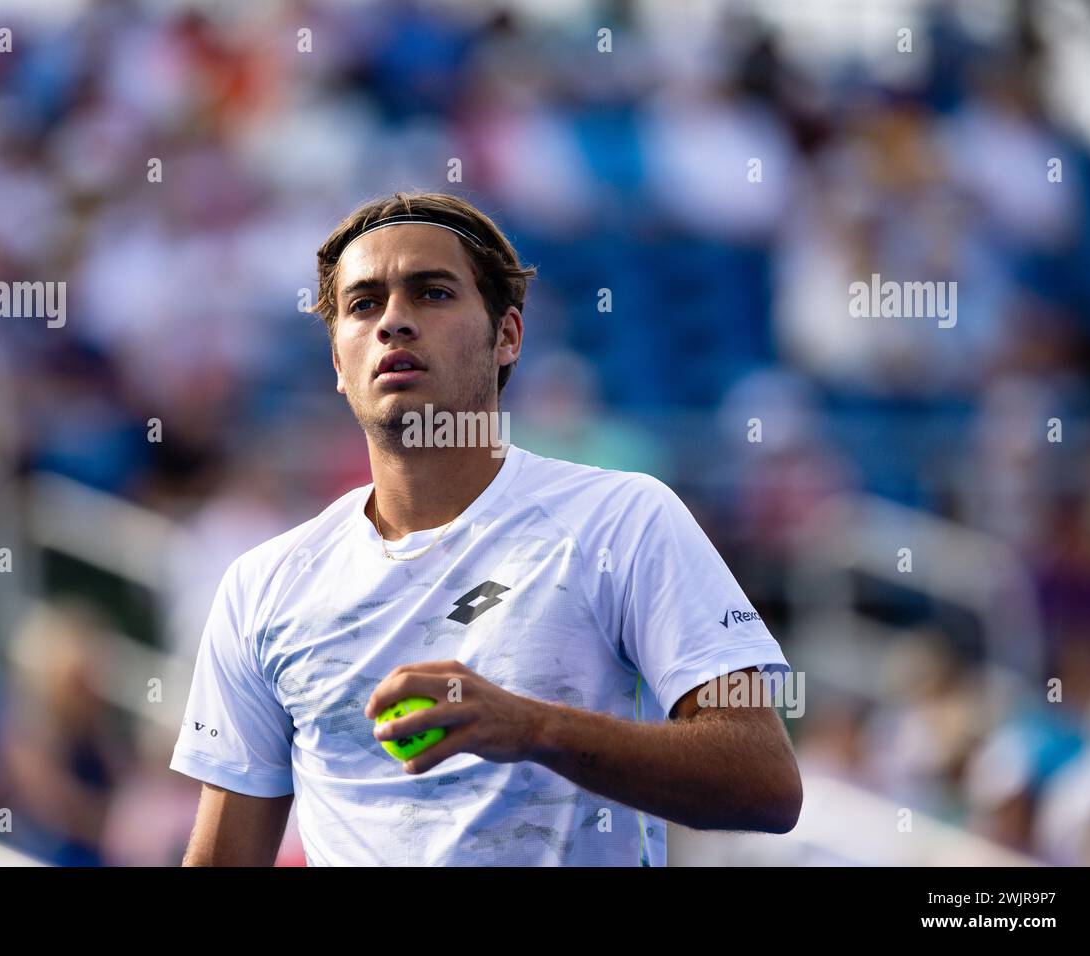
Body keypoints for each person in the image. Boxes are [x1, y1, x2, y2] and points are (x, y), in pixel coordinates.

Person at [170, 191, 802, 865]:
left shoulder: (622, 519)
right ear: (336, 363)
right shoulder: (260, 586)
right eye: (362, 304)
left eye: (432, 293)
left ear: (508, 336)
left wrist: (533, 727)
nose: (393, 323)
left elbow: (765, 782)